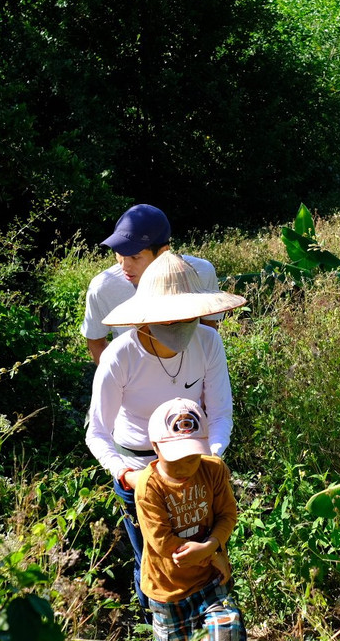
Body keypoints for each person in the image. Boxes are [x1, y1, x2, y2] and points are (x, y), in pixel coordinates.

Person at [85, 251, 246, 616]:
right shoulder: (120, 356)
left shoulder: (207, 342)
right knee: (155, 563)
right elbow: (97, 431)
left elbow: (220, 413)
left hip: (194, 461)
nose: (180, 327)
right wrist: (127, 474)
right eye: (170, 319)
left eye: (187, 317)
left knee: (206, 552)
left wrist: (208, 460)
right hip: (139, 467)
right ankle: (159, 624)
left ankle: (211, 623)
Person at [133, 398, 245, 641]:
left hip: (211, 581)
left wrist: (212, 545)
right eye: (175, 460)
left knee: (227, 632)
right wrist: (212, 555)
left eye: (192, 458)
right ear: (155, 446)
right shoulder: (149, 486)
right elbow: (163, 542)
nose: (184, 468)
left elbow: (227, 514)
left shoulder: (213, 470)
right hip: (168, 590)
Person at [81, 204, 223, 364]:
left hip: (192, 373)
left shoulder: (201, 272)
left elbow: (209, 330)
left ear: (163, 252)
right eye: (119, 253)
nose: (125, 265)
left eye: (135, 257)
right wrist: (115, 376)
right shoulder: (103, 288)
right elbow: (96, 343)